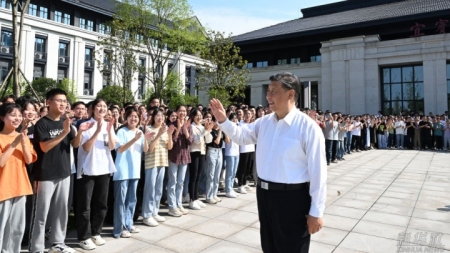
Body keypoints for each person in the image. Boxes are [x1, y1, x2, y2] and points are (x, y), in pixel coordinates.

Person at [210, 72, 326, 252]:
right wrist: (223, 120)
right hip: (265, 196)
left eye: (274, 91)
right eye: (268, 91)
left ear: (290, 94)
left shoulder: (308, 128)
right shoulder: (263, 123)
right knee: (269, 246)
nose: (268, 96)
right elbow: (241, 136)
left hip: (293, 199)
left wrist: (316, 211)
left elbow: (318, 172)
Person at [29, 89, 86, 253]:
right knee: (41, 213)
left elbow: (74, 145)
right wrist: (64, 132)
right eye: (59, 100)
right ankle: (36, 247)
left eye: (64, 101)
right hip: (45, 174)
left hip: (64, 172)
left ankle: (58, 243)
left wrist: (79, 131)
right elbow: (45, 147)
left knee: (61, 211)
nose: (63, 103)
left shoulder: (65, 121)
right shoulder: (42, 123)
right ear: (48, 102)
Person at [76, 98, 117, 250]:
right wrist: (98, 131)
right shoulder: (86, 125)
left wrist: (108, 130)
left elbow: (112, 147)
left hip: (104, 169)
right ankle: (84, 237)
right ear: (93, 108)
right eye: (99, 106)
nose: (102, 108)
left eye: (105, 106)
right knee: (85, 206)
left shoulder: (108, 125)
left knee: (101, 204)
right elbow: (86, 148)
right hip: (88, 169)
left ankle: (96, 232)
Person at [0, 103, 36, 253]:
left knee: (17, 228)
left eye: (19, 115)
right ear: (2, 117)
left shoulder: (22, 136)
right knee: (1, 227)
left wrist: (23, 142)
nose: (17, 118)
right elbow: (1, 162)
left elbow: (29, 160)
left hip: (20, 186)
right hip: (3, 188)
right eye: (12, 115)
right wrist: (14, 144)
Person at [113, 107, 149, 238]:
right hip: (122, 171)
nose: (134, 119)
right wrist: (134, 139)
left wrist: (145, 137)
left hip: (135, 170)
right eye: (131, 116)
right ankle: (119, 227)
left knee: (132, 199)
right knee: (121, 201)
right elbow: (120, 149)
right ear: (126, 118)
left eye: (136, 116)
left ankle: (128, 223)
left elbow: (145, 149)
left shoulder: (140, 131)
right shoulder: (122, 131)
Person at [142, 108, 174, 226]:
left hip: (162, 162)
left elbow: (169, 147)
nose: (160, 118)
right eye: (157, 115)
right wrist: (158, 134)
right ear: (153, 117)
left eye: (162, 115)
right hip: (152, 163)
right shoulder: (149, 129)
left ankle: (154, 212)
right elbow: (150, 148)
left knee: (158, 189)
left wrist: (169, 134)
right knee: (150, 189)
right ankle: (146, 215)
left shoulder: (165, 130)